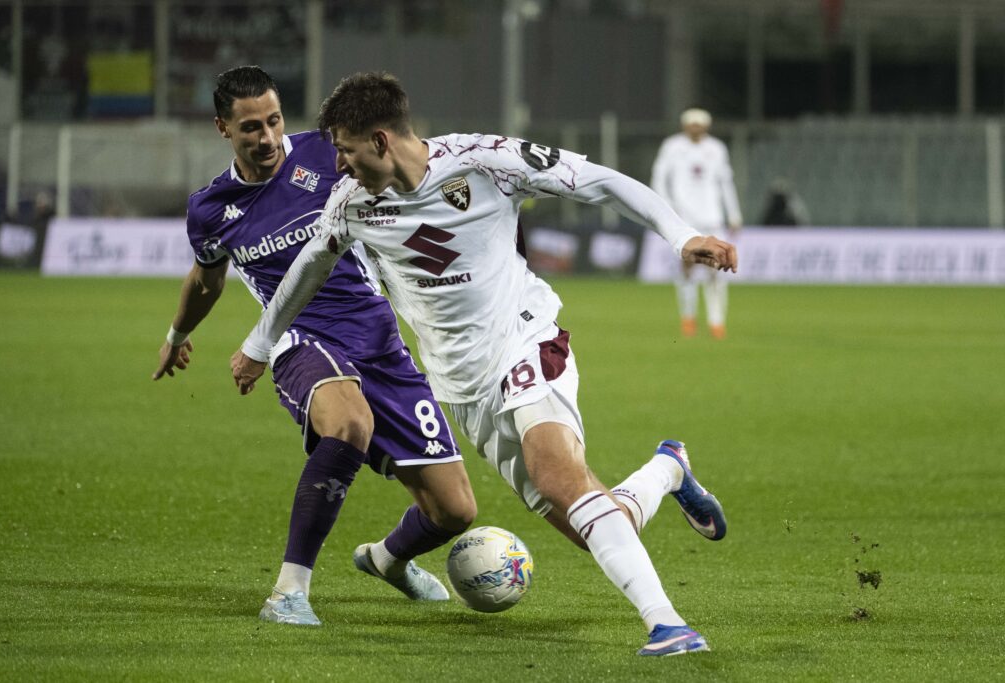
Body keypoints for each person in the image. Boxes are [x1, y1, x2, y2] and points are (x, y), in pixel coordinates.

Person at [232, 72, 736, 657]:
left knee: (559, 477)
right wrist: (260, 343)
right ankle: (668, 469)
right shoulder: (350, 204)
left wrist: (681, 237)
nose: (338, 164)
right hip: (462, 387)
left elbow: (599, 181)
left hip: (525, 339)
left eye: (345, 150)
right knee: (590, 523)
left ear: (380, 140)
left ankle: (668, 626)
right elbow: (309, 268)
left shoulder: (485, 161)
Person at [152, 66, 476, 627]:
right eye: (250, 127)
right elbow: (206, 281)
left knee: (454, 511)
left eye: (274, 120)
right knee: (349, 423)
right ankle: (288, 592)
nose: (267, 137)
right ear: (223, 128)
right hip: (299, 338)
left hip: (377, 336)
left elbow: (400, 174)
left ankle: (387, 560)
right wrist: (177, 335)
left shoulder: (328, 153)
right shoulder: (210, 208)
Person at [650, 108, 743, 339]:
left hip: (712, 218)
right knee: (687, 268)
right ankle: (688, 317)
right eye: (692, 124)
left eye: (699, 124)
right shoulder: (672, 146)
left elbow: (726, 182)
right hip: (685, 219)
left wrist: (734, 214)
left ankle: (716, 321)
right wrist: (666, 209)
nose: (695, 128)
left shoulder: (717, 148)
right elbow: (659, 178)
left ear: (706, 126)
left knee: (717, 268)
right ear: (685, 125)